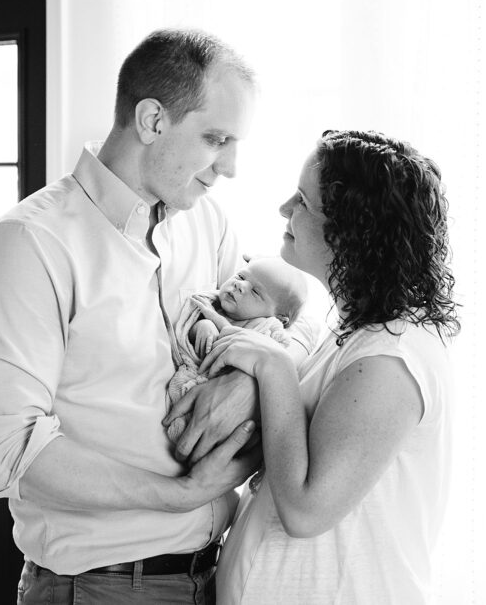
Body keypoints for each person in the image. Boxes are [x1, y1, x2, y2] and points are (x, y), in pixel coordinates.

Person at [0, 28, 312, 604]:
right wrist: (178, 494)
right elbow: (5, 452)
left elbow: (280, 327)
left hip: (216, 576)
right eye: (216, 139)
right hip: (100, 589)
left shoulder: (209, 224)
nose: (231, 167)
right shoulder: (29, 244)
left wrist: (255, 383)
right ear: (151, 121)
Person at [168, 129, 460, 604]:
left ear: (350, 233)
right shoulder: (355, 332)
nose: (284, 208)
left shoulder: (392, 358)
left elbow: (305, 509)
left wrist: (275, 369)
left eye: (303, 200)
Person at [165, 257, 308, 441]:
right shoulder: (211, 305)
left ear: (280, 318)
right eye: (241, 276)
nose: (240, 285)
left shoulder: (267, 329)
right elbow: (185, 331)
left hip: (227, 402)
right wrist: (201, 326)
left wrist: (219, 323)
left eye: (256, 292)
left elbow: (273, 359)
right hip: (192, 377)